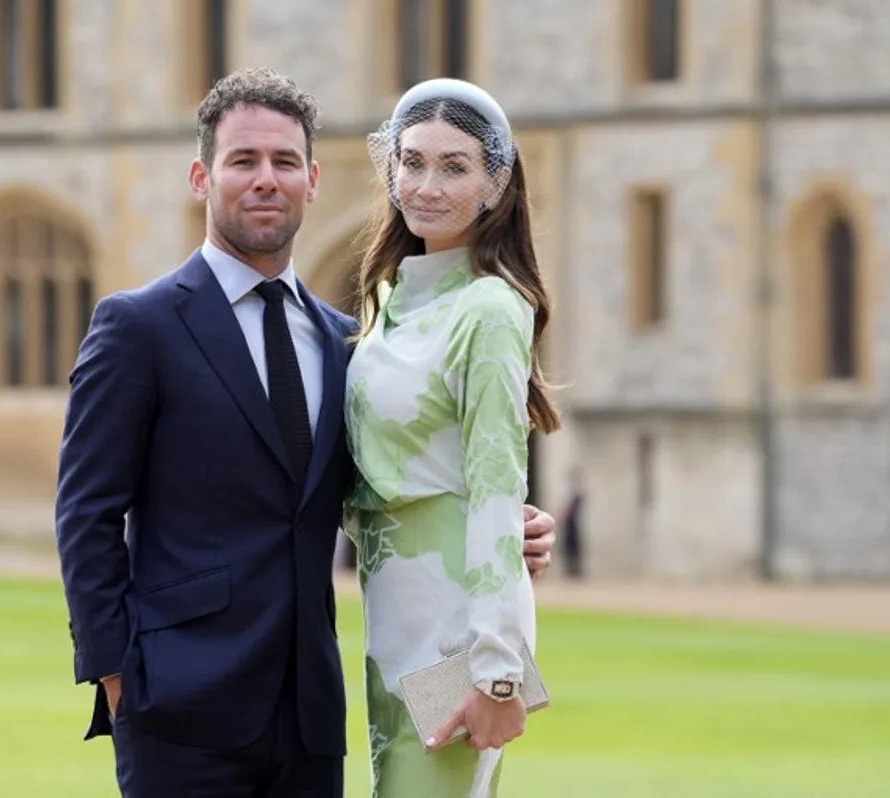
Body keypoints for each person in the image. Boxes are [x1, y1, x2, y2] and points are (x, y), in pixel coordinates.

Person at [54, 68, 557, 798]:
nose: (267, 180)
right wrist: (115, 676)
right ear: (201, 176)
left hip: (314, 715)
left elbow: (388, 474)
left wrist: (504, 523)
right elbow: (86, 514)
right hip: (180, 711)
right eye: (243, 161)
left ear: (314, 181)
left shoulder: (347, 344)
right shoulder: (139, 327)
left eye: (285, 162)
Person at [343, 78, 562, 796]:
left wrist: (498, 674)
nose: (426, 185)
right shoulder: (388, 301)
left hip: (455, 638)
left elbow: (498, 485)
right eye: (411, 162)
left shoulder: (491, 309)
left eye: (455, 166)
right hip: (391, 628)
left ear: (496, 184)